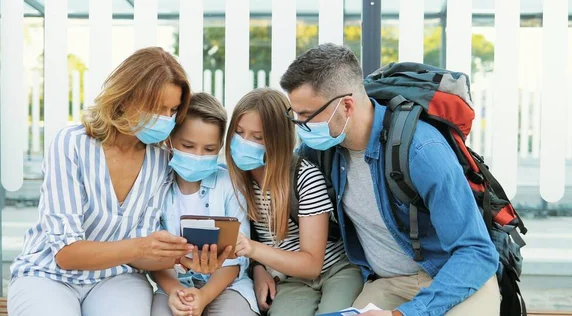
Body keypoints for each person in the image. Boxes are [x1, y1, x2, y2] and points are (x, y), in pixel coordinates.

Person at [280, 43, 500, 316]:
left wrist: (405, 314)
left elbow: (477, 252)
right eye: (295, 115)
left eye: (307, 116)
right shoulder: (319, 150)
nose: (301, 126)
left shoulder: (421, 150)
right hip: (387, 284)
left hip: (457, 280)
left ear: (346, 106)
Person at [8, 47, 195, 316]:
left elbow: (144, 254)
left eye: (172, 110)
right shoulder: (71, 143)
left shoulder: (162, 159)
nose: (164, 119)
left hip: (117, 278)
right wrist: (142, 246)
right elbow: (66, 254)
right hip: (48, 273)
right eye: (156, 108)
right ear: (125, 97)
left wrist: (180, 258)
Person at [227, 88, 363, 316]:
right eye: (239, 132)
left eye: (257, 137)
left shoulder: (304, 177)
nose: (244, 142)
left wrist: (252, 250)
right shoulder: (237, 182)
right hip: (290, 279)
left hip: (335, 270)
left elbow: (311, 264)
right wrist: (259, 270)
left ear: (277, 140)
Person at [151, 92, 258, 316]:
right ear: (170, 140)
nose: (198, 156)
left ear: (219, 146)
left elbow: (236, 259)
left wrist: (203, 297)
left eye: (209, 149)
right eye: (188, 145)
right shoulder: (156, 185)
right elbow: (154, 259)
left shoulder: (229, 185)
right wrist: (177, 292)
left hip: (226, 286)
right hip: (174, 283)